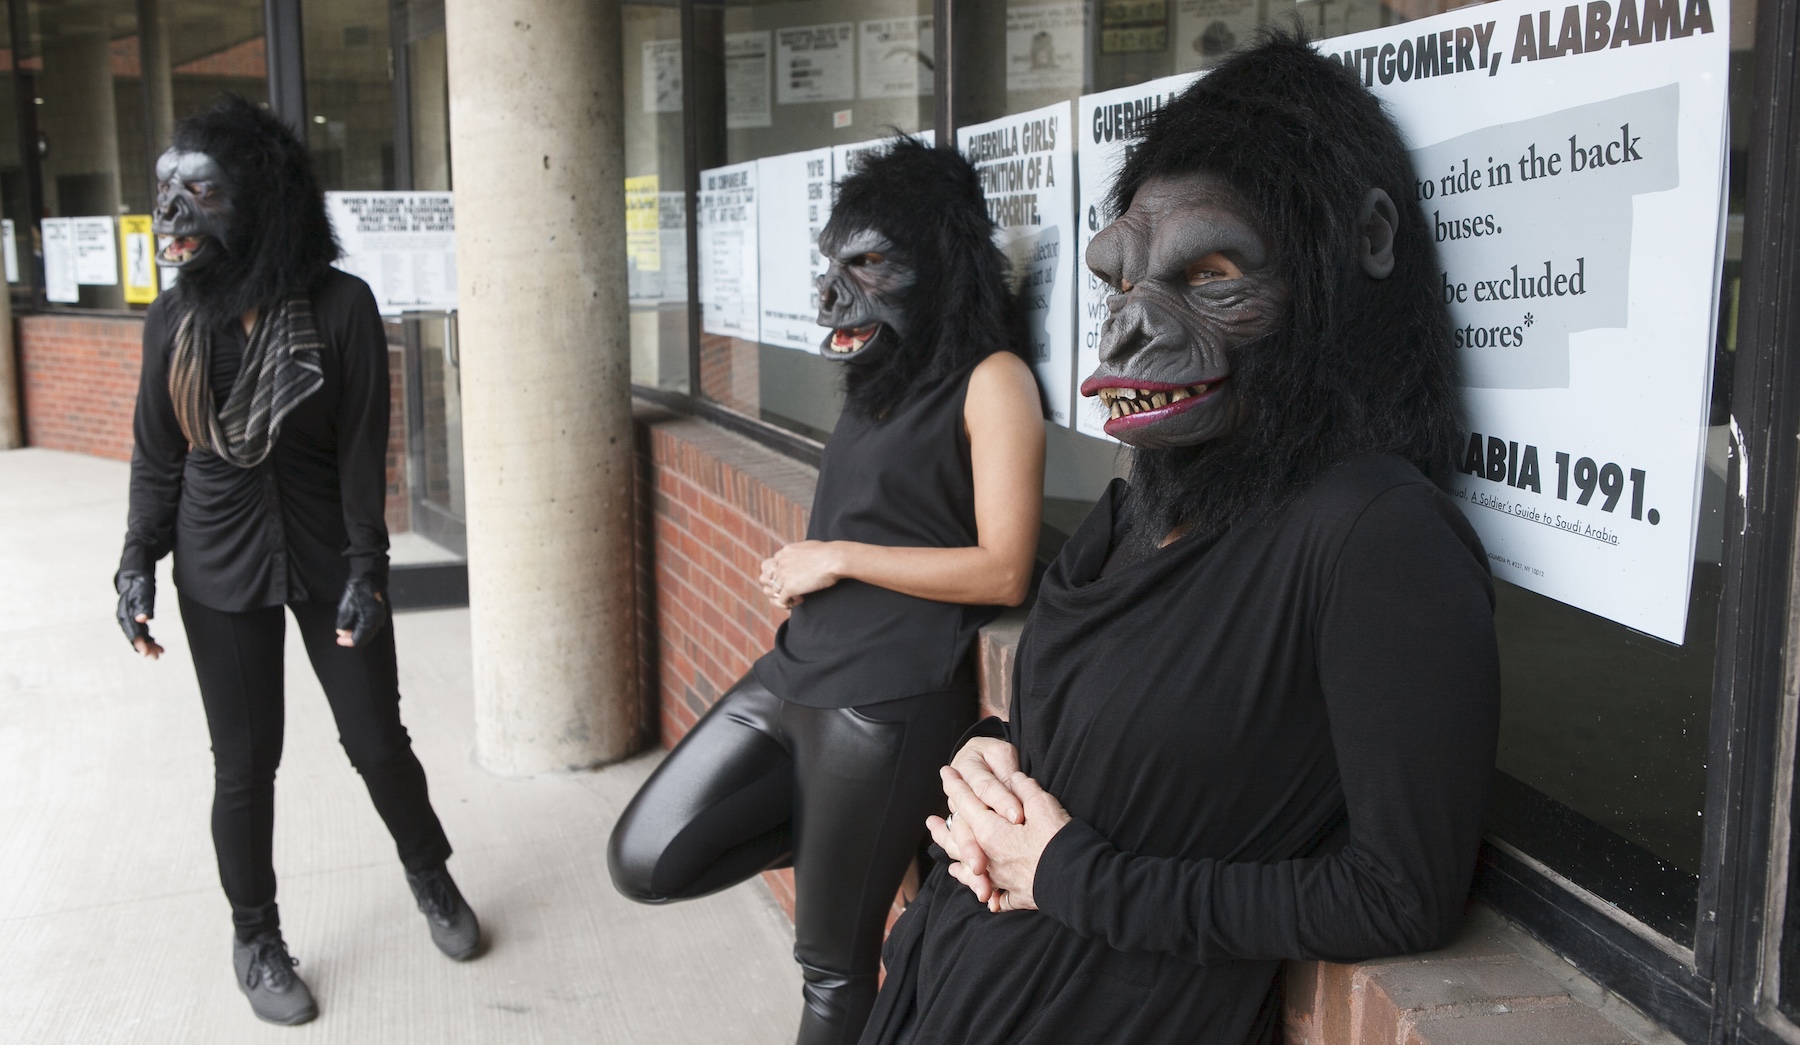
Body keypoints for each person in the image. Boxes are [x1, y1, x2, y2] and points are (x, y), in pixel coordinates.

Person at [857, 35, 1503, 1045]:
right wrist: (983, 767)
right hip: (950, 983)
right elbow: (1076, 742)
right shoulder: (1137, 509)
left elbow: (1399, 896)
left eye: (1208, 273)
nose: (1125, 331)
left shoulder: (1376, 535)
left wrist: (1074, 877)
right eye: (1122, 281)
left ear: (1361, 244)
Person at [607, 137, 1046, 1045]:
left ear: (941, 264)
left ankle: (868, 833)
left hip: (885, 699)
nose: (833, 293)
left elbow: (1005, 567)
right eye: (831, 265)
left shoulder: (993, 381)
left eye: (869, 264)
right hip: (796, 670)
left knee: (833, 974)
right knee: (647, 855)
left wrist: (838, 556)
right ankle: (868, 834)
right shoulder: (877, 379)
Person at [115, 97, 479, 1027]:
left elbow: (365, 452)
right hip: (216, 558)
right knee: (244, 764)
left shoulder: (341, 306)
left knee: (376, 739)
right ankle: (255, 935)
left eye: (200, 190)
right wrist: (136, 562)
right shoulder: (171, 323)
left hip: (326, 550)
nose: (172, 211)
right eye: (166, 189)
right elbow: (159, 454)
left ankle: (430, 875)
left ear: (261, 201)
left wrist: (369, 566)